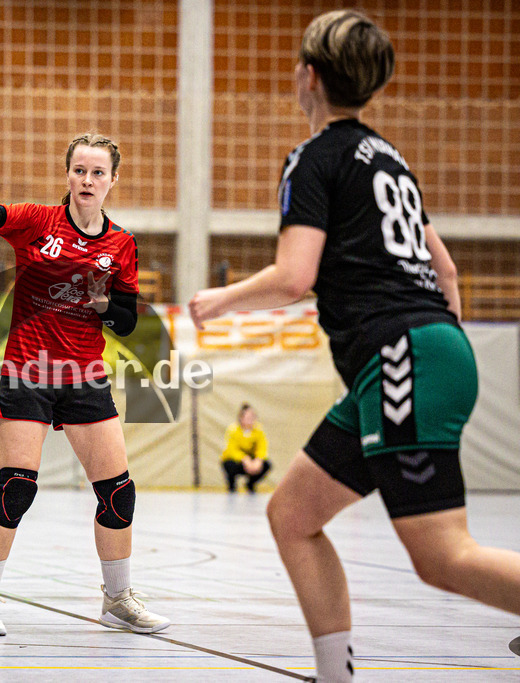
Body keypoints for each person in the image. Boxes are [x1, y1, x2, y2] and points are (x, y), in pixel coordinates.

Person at [189, 10, 520, 682]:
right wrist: (433, 344)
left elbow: (295, 276)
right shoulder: (390, 159)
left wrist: (218, 301)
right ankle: (334, 673)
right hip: (419, 350)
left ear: (308, 77)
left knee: (441, 555)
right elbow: (446, 271)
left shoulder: (313, 159)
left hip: (401, 357)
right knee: (292, 514)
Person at [0, 133, 170, 637]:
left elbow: (127, 320)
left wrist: (101, 306)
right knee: (17, 490)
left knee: (119, 495)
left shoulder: (121, 244)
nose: (86, 180)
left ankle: (116, 599)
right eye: (78, 170)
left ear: (113, 179)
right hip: (28, 371)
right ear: (67, 175)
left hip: (85, 378)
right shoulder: (37, 222)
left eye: (97, 172)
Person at [221, 403, 271, 493]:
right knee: (228, 464)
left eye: (252, 417)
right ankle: (232, 486)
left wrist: (258, 460)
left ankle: (250, 484)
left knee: (267, 465)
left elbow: (262, 447)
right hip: (238, 461)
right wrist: (245, 459)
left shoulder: (258, 430)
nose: (250, 420)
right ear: (241, 418)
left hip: (252, 461)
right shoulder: (233, 430)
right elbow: (232, 449)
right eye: (247, 417)